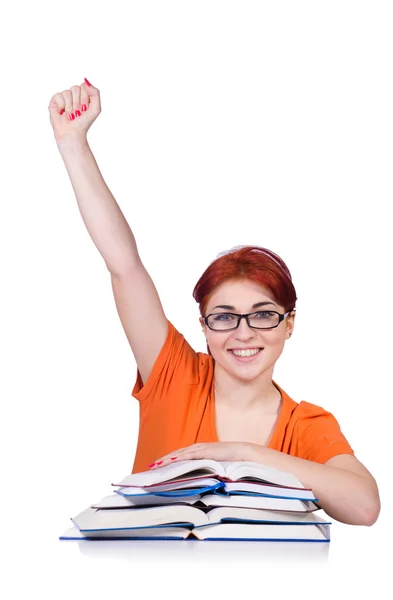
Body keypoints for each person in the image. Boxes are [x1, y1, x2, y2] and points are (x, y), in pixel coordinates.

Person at [48, 78, 380, 527]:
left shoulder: (306, 425)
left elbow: (363, 507)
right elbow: (124, 265)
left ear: (289, 323)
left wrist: (244, 455)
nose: (244, 333)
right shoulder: (174, 377)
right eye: (225, 317)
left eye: (263, 314)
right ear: (204, 326)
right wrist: (73, 144)